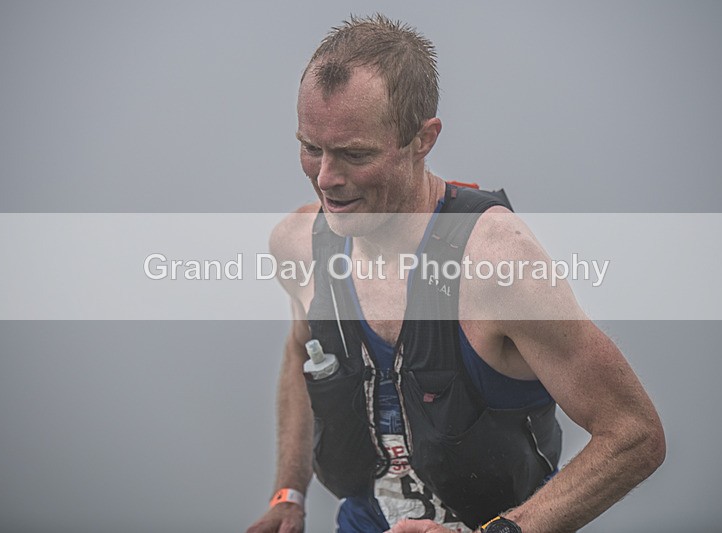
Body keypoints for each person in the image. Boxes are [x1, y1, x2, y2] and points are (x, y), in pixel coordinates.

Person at [247, 14, 665, 533]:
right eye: (311, 148)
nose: (327, 179)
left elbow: (634, 433)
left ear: (424, 139)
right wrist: (289, 493)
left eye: (355, 154)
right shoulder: (297, 244)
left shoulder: (498, 265)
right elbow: (303, 353)